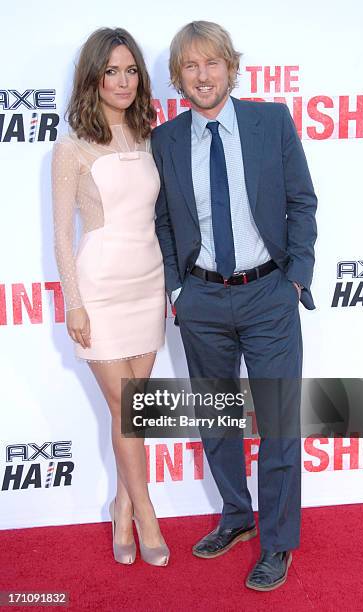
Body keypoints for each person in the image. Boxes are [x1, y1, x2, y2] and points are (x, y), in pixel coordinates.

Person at [152, 21, 317, 590]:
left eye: (212, 63)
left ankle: (277, 543)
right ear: (178, 77)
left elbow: (302, 200)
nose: (203, 76)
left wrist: (296, 278)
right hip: (201, 301)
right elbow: (165, 223)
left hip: (270, 297)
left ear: (230, 67)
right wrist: (178, 291)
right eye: (191, 66)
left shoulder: (270, 121)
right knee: (219, 422)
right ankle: (237, 516)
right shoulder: (166, 140)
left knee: (276, 424)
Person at [52, 27, 169, 566]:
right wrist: (73, 301)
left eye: (131, 70)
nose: (123, 81)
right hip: (99, 289)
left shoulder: (149, 136)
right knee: (126, 408)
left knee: (134, 415)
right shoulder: (71, 147)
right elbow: (61, 235)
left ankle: (121, 509)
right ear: (93, 78)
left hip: (148, 285)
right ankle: (146, 514)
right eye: (111, 71)